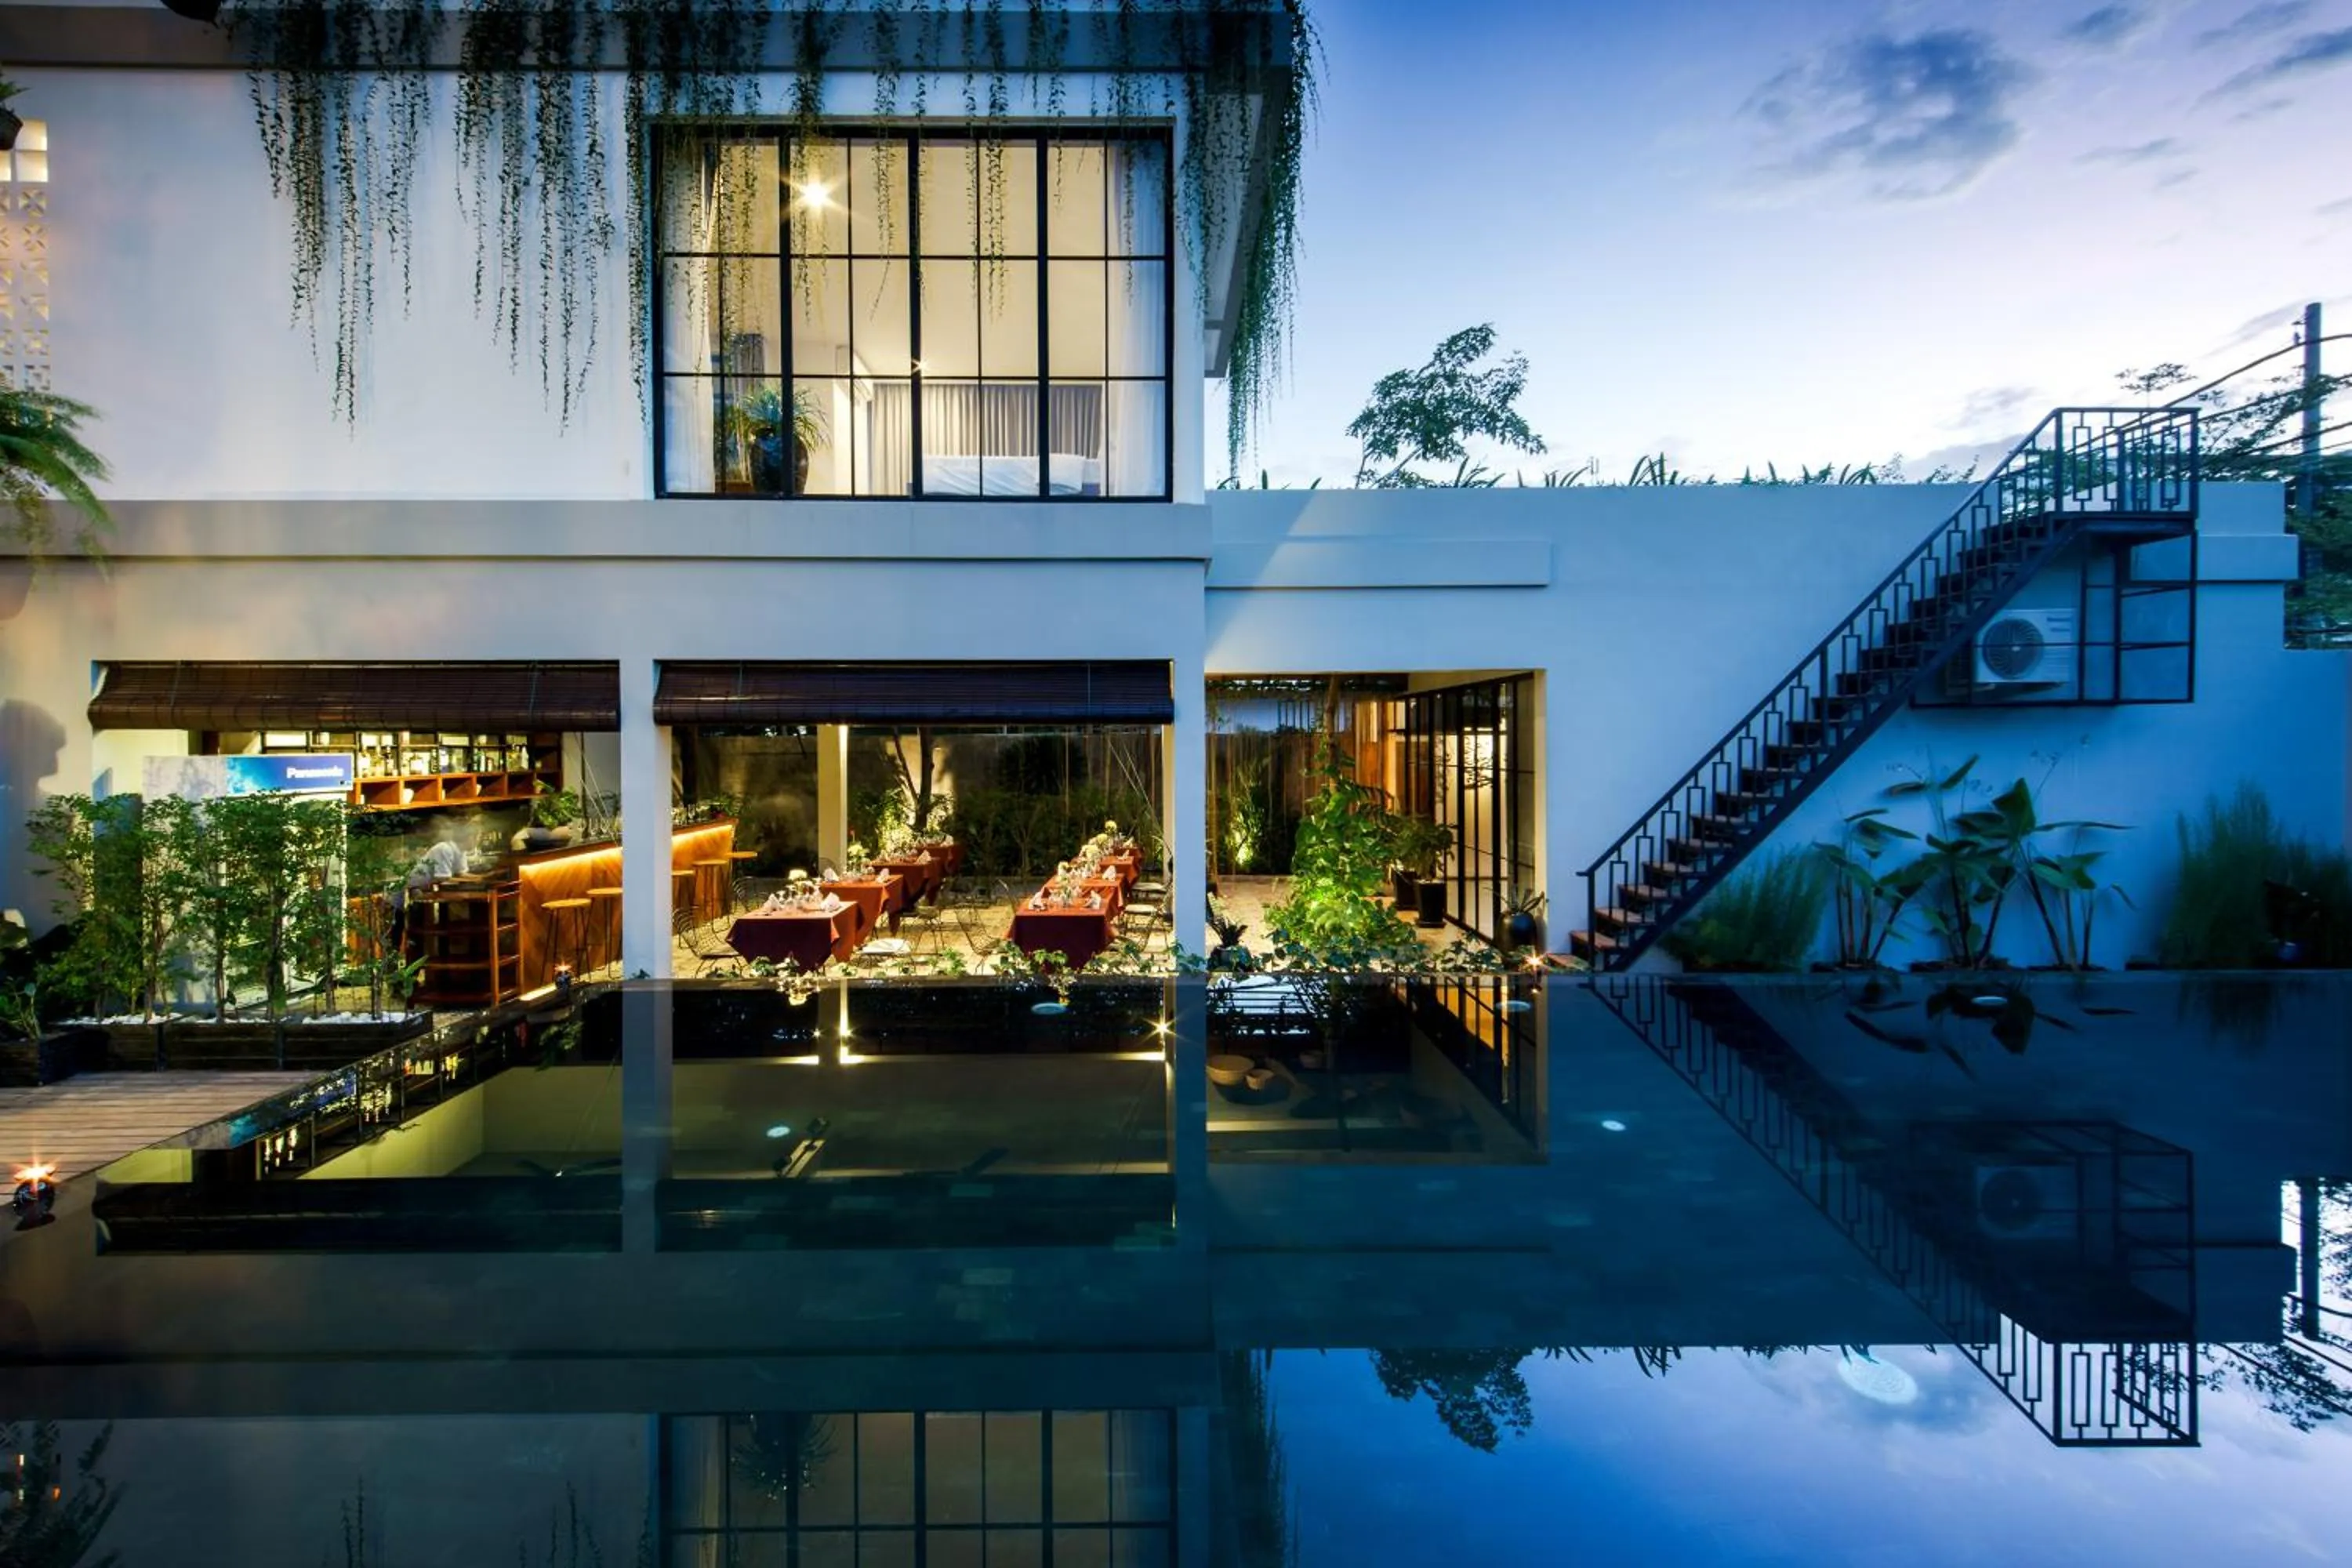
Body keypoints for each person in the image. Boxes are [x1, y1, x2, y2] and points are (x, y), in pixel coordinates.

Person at [388, 840, 467, 952]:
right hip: (406, 892)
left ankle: (416, 964)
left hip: (419, 892)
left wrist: (482, 878)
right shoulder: (444, 849)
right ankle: (399, 965)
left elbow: (460, 874)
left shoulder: (459, 851)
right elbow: (443, 878)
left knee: (415, 935)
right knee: (403, 935)